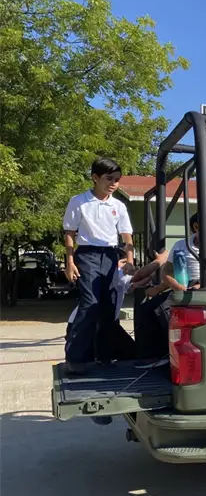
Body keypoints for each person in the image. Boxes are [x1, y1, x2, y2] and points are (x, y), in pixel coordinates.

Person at [62, 157, 135, 374]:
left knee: (110, 306)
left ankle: (105, 356)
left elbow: (127, 236)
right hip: (87, 254)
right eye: (109, 178)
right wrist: (70, 262)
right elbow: (69, 233)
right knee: (90, 304)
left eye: (117, 180)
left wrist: (130, 260)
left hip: (111, 256)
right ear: (95, 178)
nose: (114, 183)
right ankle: (75, 358)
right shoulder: (79, 201)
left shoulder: (118, 205)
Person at [162, 210, 206, 291]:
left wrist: (202, 286)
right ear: (196, 227)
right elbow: (167, 271)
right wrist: (176, 286)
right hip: (185, 286)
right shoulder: (180, 245)